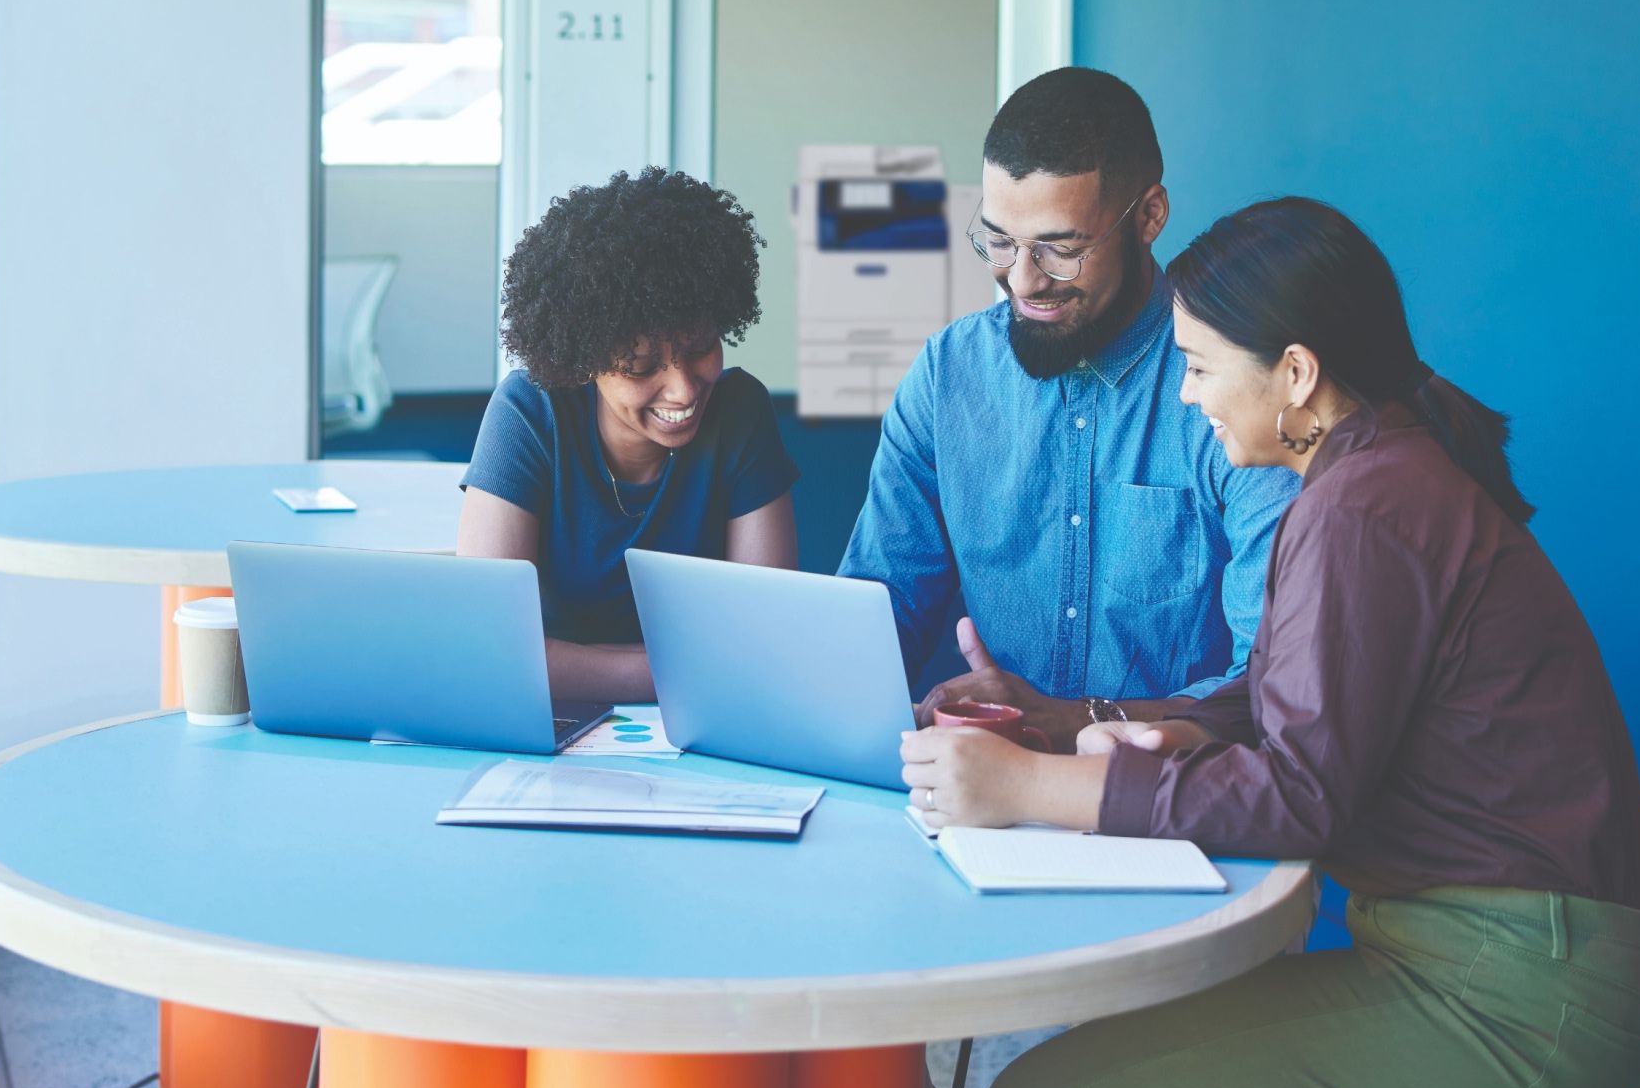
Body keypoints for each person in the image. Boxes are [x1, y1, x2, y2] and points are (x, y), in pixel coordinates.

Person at [902, 197, 1640, 1088]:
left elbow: (1298, 797)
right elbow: (1296, 692)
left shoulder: (1363, 506)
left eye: (1200, 365)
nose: (1187, 397)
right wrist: (1071, 718)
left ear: (1297, 374)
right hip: (1529, 961)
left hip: (1519, 997)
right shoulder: (1381, 471)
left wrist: (1032, 785)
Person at [840, 68, 1300, 744]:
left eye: (1061, 249)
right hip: (979, 795)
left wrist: (1077, 721)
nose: (1022, 280)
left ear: (1148, 216)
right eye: (999, 241)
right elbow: (875, 619)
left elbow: (1272, 680)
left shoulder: (1233, 387)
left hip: (1179, 804)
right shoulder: (948, 375)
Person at [457, 167, 798, 706]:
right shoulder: (530, 411)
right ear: (582, 361)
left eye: (700, 348)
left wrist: (554, 662)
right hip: (550, 729)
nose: (683, 389)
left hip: (711, 729)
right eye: (641, 367)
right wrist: (682, 671)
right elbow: (486, 646)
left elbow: (769, 635)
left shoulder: (739, 413)